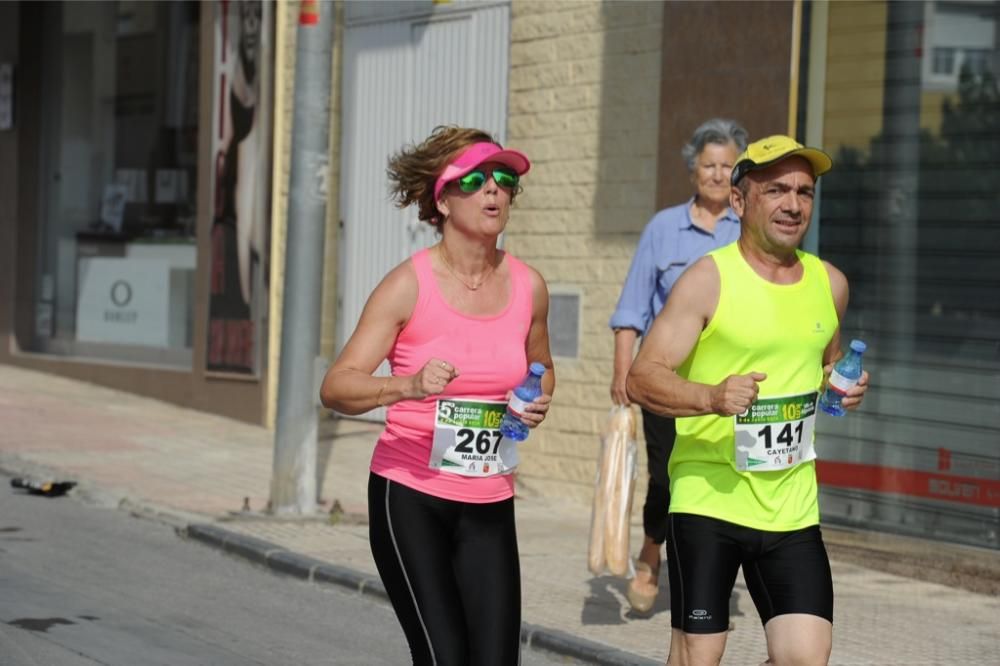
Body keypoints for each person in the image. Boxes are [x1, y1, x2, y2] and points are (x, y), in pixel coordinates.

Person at [626, 135, 870, 665]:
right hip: (708, 501)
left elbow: (823, 364)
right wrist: (710, 396)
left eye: (805, 192)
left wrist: (838, 385)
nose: (794, 204)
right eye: (777, 189)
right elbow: (641, 378)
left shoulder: (830, 284)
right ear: (739, 202)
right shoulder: (707, 280)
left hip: (792, 508)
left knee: (805, 658)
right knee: (698, 656)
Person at [319, 126, 555, 666]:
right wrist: (405, 385)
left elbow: (541, 370)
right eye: (474, 180)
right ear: (443, 200)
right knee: (444, 656)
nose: (493, 190)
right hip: (410, 494)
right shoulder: (408, 285)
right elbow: (337, 385)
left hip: (490, 498)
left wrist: (532, 401)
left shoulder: (528, 286)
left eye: (504, 179)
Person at [608, 118, 748, 613]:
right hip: (668, 382)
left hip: (732, 384)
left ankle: (708, 567)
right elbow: (633, 306)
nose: (716, 174)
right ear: (692, 170)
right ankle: (651, 554)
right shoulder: (663, 228)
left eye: (727, 165)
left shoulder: (748, 228)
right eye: (707, 165)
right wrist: (624, 369)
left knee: (725, 474)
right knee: (667, 476)